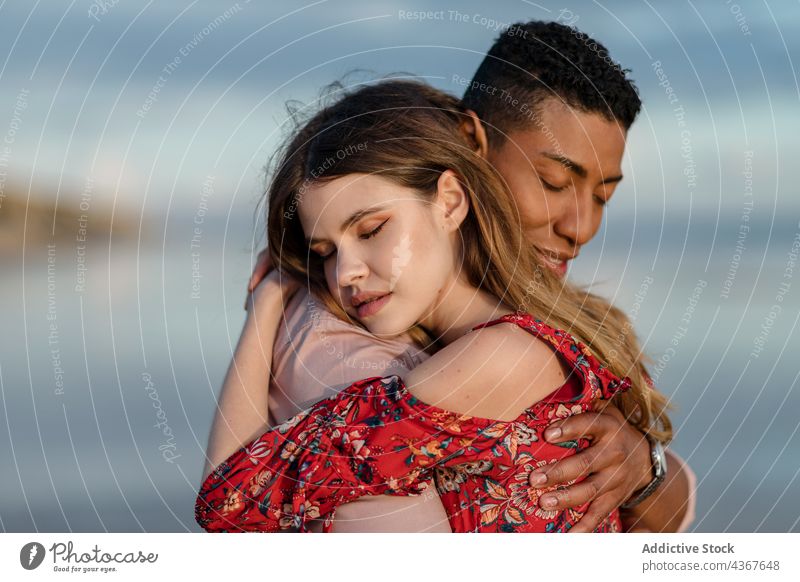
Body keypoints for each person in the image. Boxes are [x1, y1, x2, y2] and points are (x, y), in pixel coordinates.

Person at [208, 21, 695, 532]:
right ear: (469, 148)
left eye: (603, 196)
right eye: (553, 183)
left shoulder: (552, 332)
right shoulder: (346, 336)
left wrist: (646, 470)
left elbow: (233, 497)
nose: (583, 227)